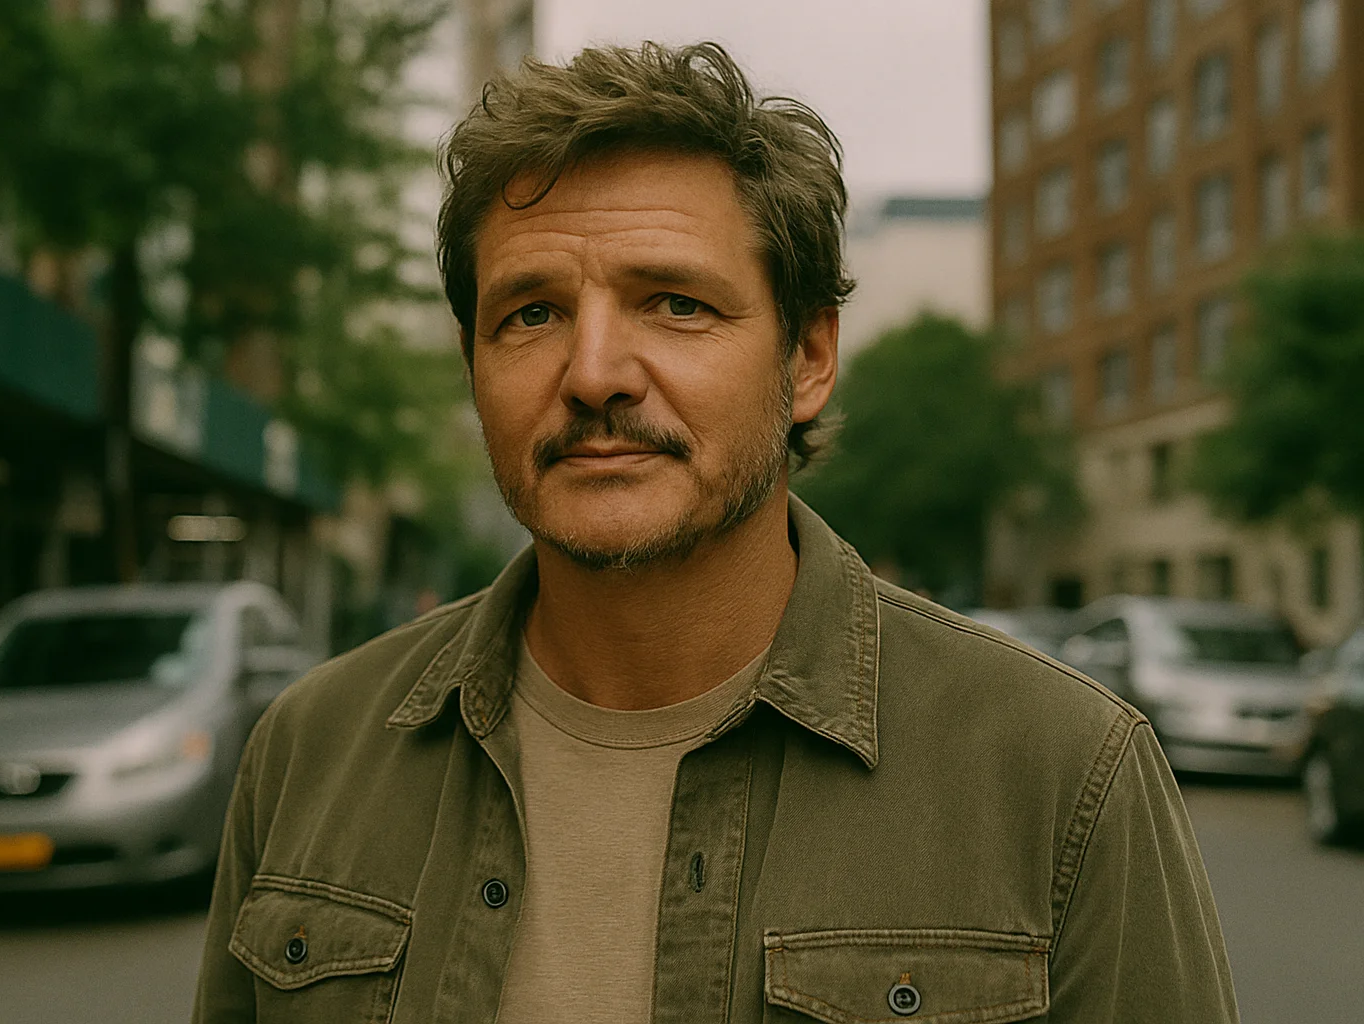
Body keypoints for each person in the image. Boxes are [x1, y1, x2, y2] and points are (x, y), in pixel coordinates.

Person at [193, 42, 1239, 1023]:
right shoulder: (309, 750)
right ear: (474, 364)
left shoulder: (1063, 772)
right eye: (531, 314)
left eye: (676, 304)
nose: (595, 371)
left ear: (808, 359)